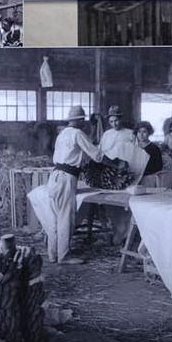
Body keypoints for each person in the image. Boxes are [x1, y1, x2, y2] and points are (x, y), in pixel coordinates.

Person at [28, 107, 103, 264]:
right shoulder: (77, 134)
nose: (84, 123)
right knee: (65, 217)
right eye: (82, 120)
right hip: (67, 178)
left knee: (55, 216)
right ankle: (64, 255)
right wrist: (115, 162)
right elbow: (97, 155)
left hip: (55, 176)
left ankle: (53, 254)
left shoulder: (62, 134)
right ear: (78, 121)